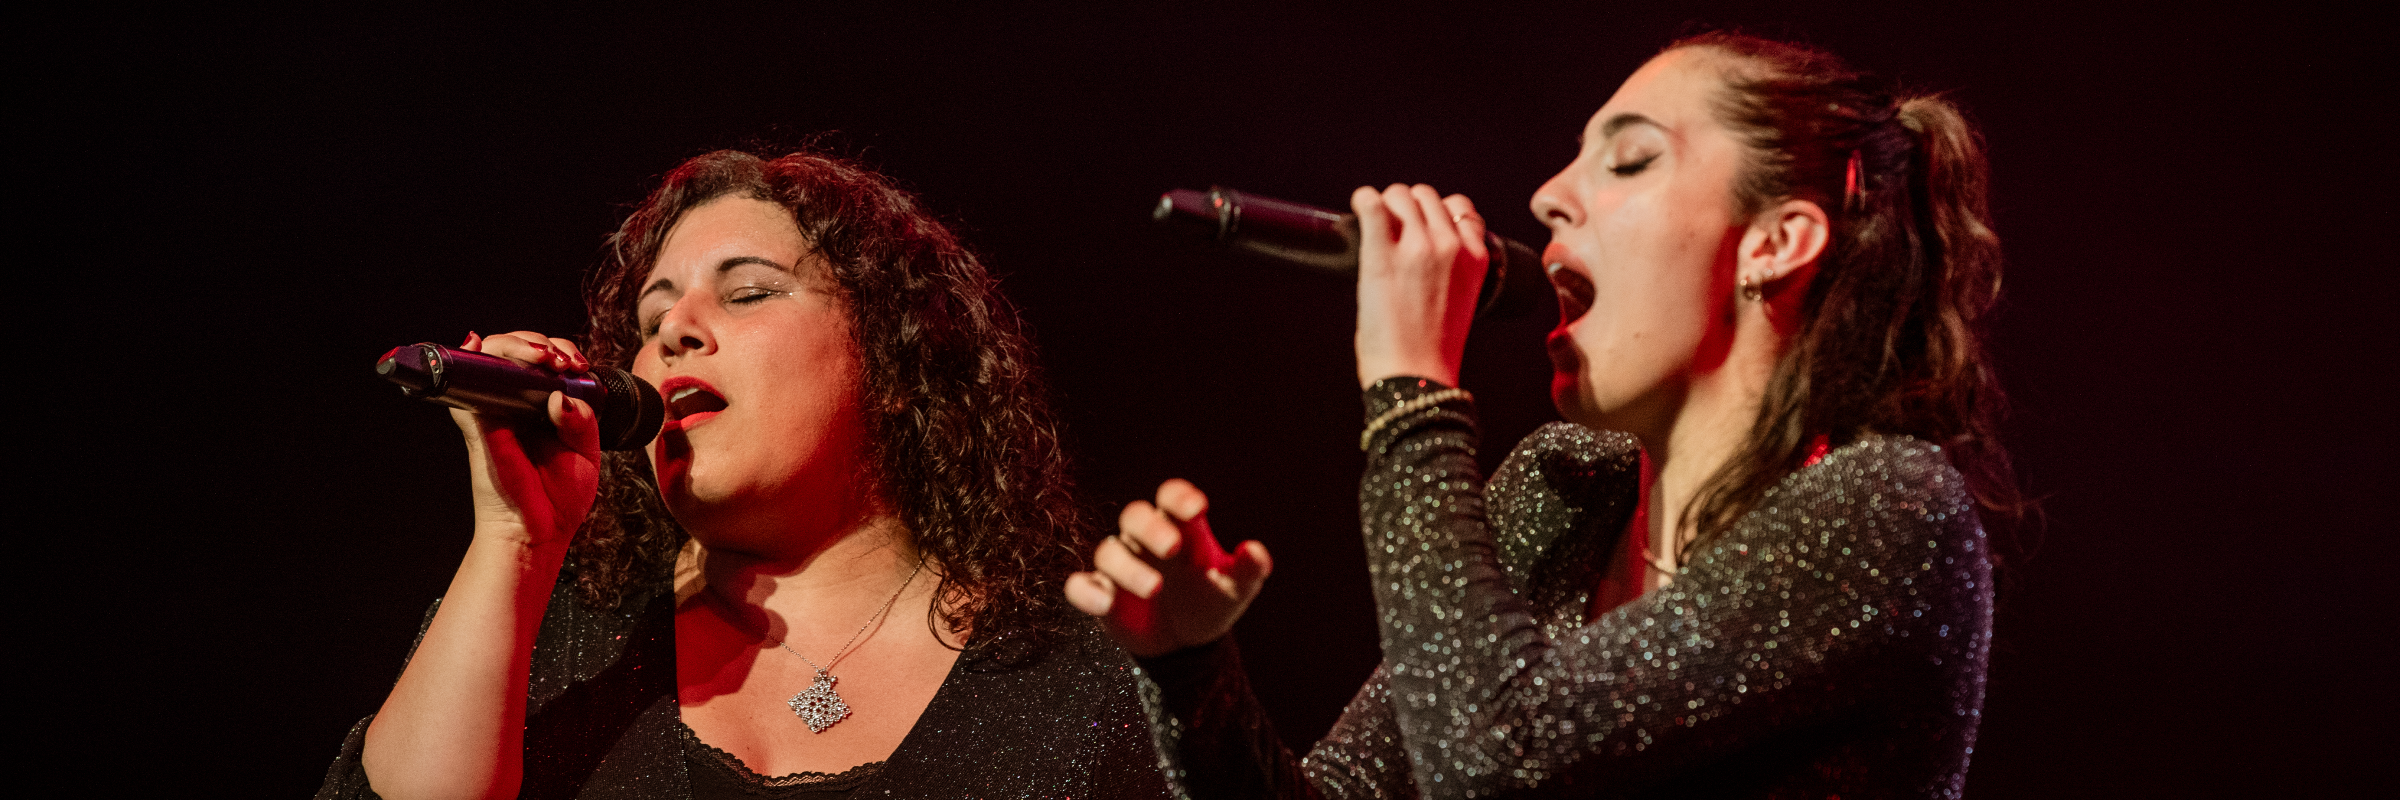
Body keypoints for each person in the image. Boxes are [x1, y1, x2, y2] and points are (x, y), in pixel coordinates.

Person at [1068, 31, 2020, 798]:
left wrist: (1410, 385)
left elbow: (1497, 759)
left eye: (1630, 159)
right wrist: (1192, 669)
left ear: (1776, 241)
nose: (1548, 196)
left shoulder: (1886, 511)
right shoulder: (1567, 487)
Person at [319, 150, 1177, 799]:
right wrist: (517, 541)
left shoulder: (1068, 679)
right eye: (653, 319)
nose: (675, 332)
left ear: (891, 355)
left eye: (749, 292)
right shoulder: (554, 632)